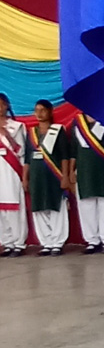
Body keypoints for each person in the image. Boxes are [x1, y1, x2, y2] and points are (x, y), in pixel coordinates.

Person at [23, 100, 70, 256]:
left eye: (43, 110)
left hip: (54, 176)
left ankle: (57, 242)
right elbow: (27, 159)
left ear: (50, 112)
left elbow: (65, 156)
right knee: (39, 209)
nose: (39, 113)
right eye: (37, 110)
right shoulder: (31, 133)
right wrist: (25, 178)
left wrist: (65, 176)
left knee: (56, 208)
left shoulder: (58, 131)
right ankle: (46, 242)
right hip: (36, 177)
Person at [70, 112, 104, 254]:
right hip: (84, 170)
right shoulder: (77, 123)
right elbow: (74, 149)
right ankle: (92, 240)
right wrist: (71, 171)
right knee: (86, 206)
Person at [0, 93, 28, 257]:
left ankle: (18, 243)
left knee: (14, 208)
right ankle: (7, 242)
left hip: (12, 171)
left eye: (1, 104)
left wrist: (6, 135)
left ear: (7, 106)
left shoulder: (17, 127)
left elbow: (22, 151)